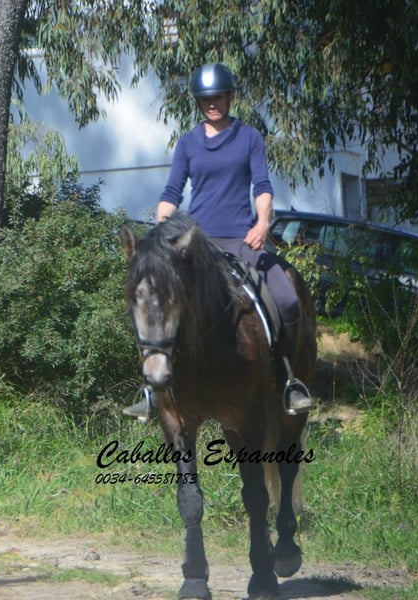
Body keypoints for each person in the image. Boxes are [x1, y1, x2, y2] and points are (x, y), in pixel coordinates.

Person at [124, 62, 312, 419]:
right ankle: (151, 391)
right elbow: (172, 191)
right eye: (206, 99)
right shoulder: (187, 143)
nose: (212, 104)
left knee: (287, 299)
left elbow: (262, 186)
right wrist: (160, 231)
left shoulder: (249, 138)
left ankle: (287, 379)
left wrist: (262, 222)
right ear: (198, 101)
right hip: (196, 245)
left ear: (229, 97)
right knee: (154, 302)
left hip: (242, 240)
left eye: (218, 97)